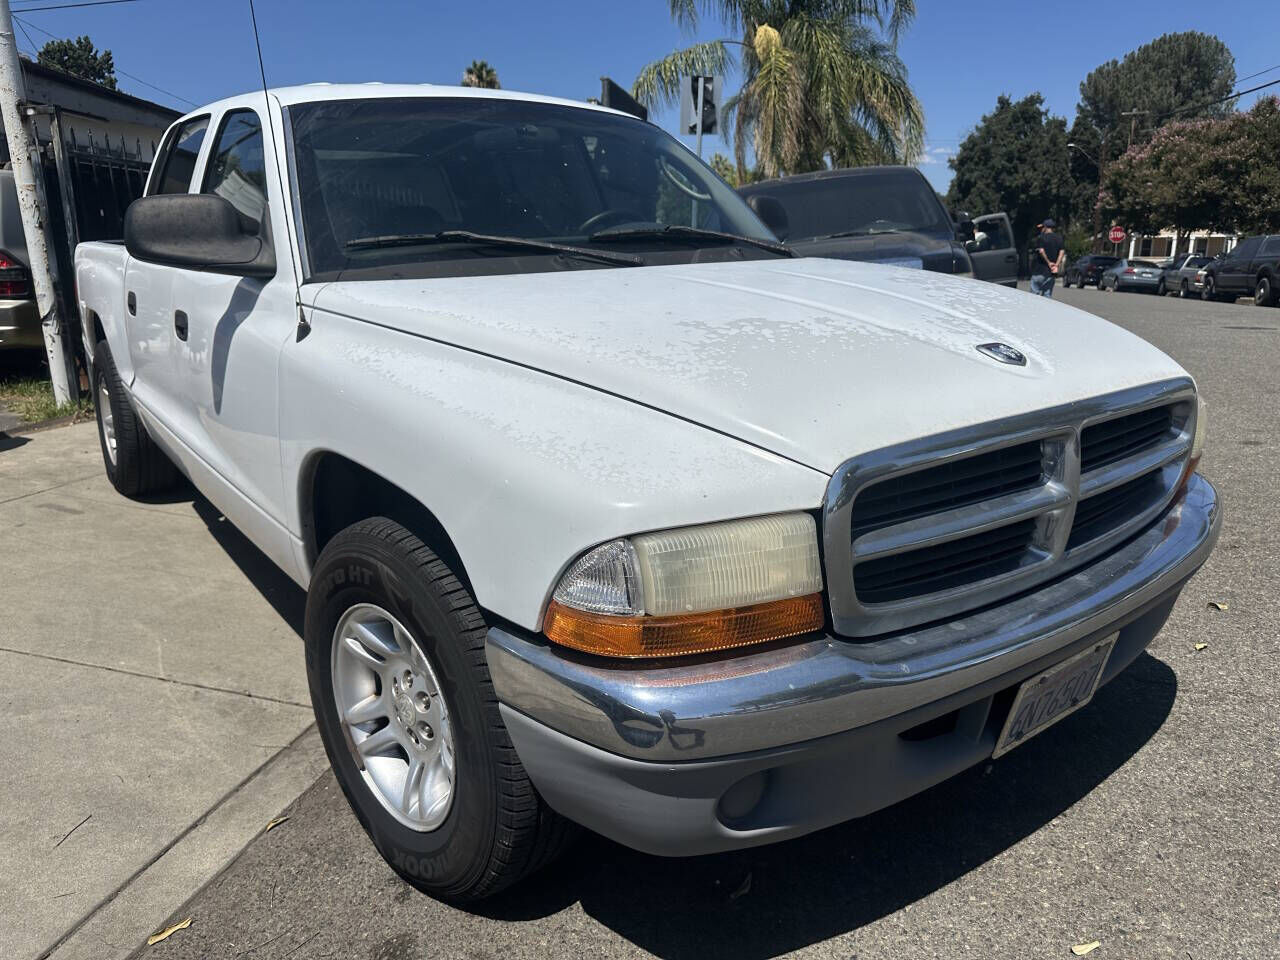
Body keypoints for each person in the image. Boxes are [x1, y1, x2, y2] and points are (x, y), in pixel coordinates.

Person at [1030, 219, 1065, 297]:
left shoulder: (1041, 238)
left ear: (1045, 227)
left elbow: (1041, 251)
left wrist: (1048, 262)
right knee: (1047, 295)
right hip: (1050, 273)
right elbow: (1061, 252)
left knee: (1034, 295)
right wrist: (1056, 265)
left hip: (1039, 270)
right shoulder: (1059, 238)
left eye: (1043, 227)